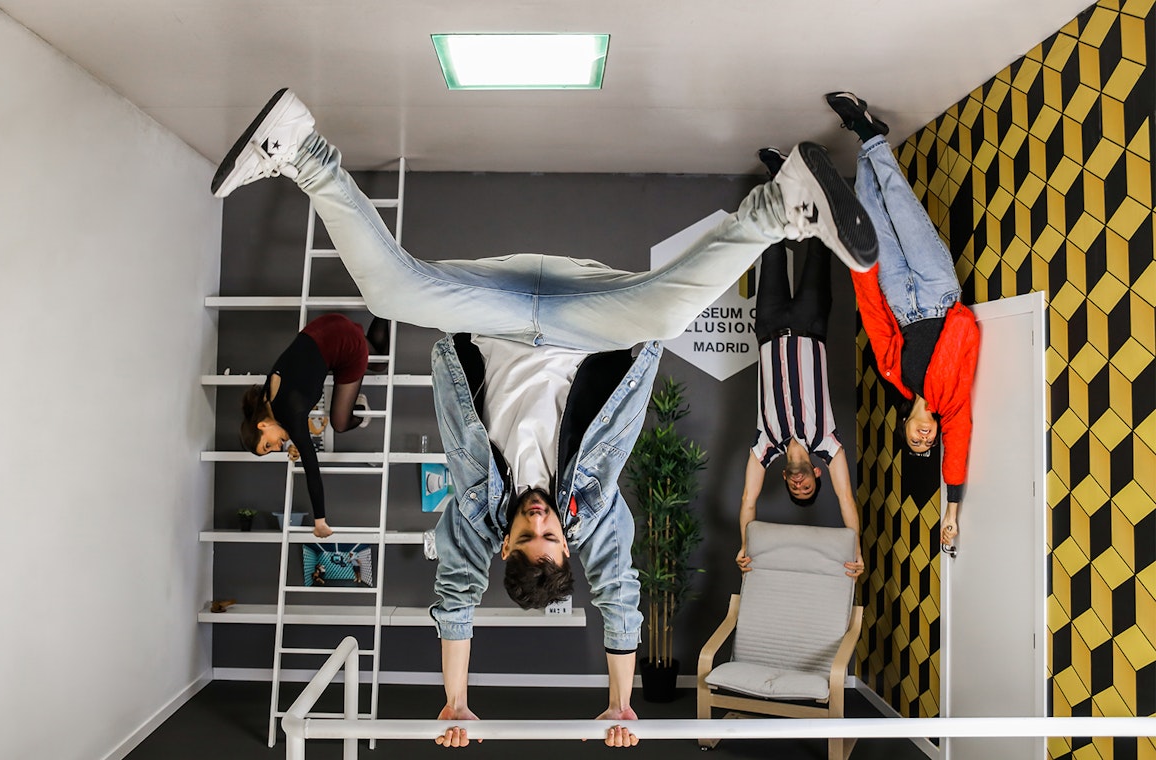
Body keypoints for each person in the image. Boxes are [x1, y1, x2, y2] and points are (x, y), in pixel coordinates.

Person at [211, 88, 878, 746]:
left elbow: (454, 604)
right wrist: (620, 705)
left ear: (505, 546)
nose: (539, 523)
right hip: (587, 313)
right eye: (552, 541)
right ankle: (782, 204)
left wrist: (455, 702)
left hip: (491, 307)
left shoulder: (475, 519)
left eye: (526, 538)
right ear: (566, 547)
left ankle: (300, 149)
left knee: (387, 290)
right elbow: (619, 599)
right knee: (670, 317)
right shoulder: (594, 513)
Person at [825, 91, 980, 549]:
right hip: (938, 292)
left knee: (870, 213)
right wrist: (951, 511)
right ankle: (867, 133)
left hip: (899, 299)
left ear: (905, 431)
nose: (924, 438)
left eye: (915, 443)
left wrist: (862, 270)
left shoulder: (896, 378)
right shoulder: (951, 407)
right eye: (927, 445)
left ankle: (869, 142)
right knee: (901, 204)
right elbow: (959, 450)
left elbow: (876, 322)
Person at [735, 148, 864, 577]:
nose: (798, 483)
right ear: (818, 476)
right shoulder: (828, 443)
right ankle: (815, 187)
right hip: (811, 325)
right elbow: (847, 501)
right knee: (815, 251)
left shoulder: (763, 445)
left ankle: (779, 175)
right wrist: (856, 552)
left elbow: (748, 502)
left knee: (772, 249)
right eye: (806, 486)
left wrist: (744, 547)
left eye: (795, 487)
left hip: (770, 327)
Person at [240, 313, 389, 538]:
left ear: (262, 425)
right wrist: (293, 441)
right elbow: (287, 414)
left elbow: (312, 469)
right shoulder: (265, 399)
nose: (276, 448)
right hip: (324, 327)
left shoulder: (291, 414)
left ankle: (360, 410)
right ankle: (383, 309)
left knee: (340, 423)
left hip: (343, 343)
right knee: (377, 364)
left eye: (267, 446)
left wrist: (320, 520)